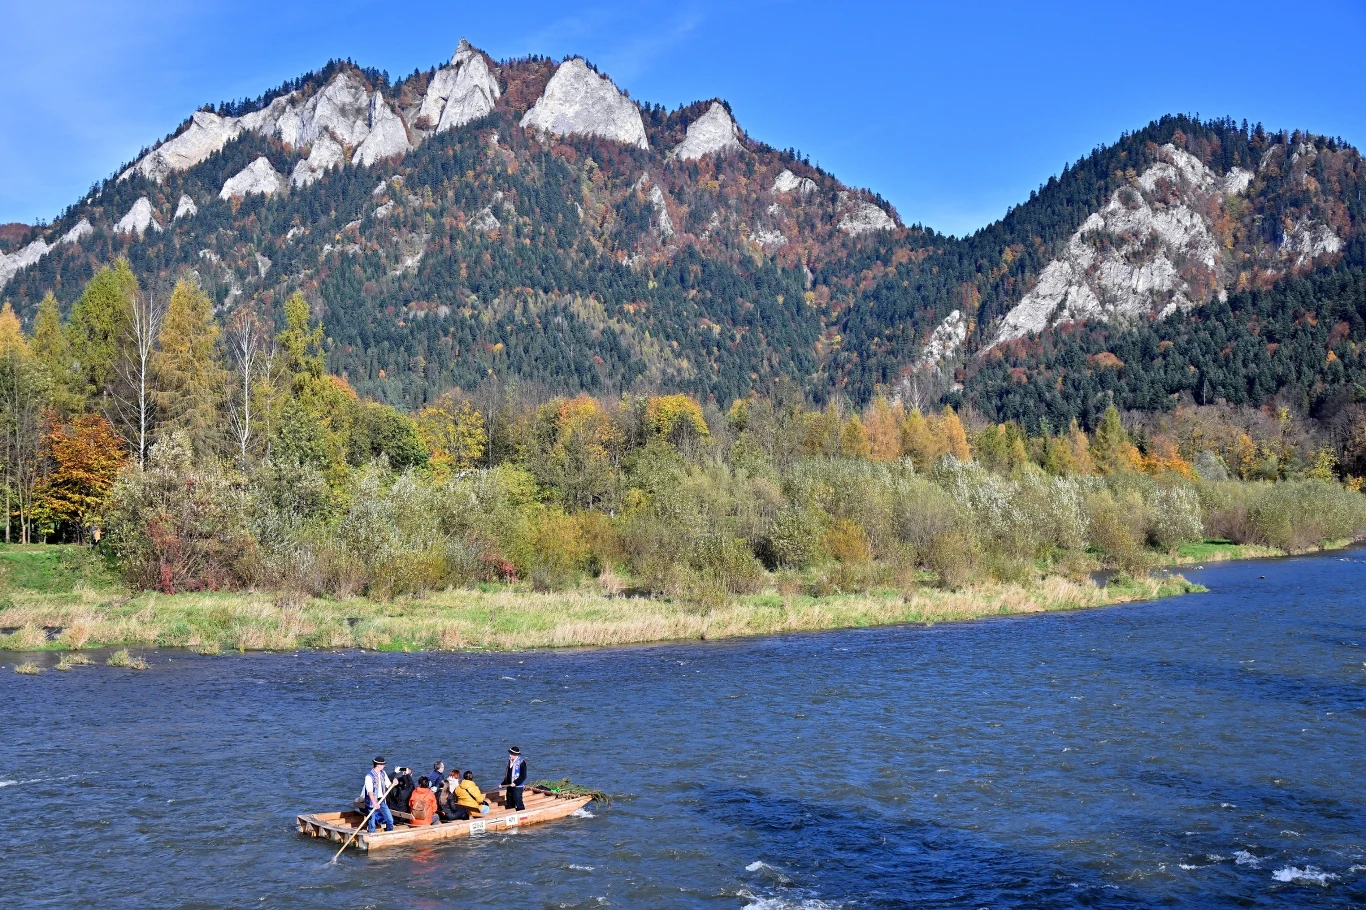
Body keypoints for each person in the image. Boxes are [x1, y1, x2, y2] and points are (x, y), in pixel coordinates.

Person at [361, 756, 395, 834]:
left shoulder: (383, 773)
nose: (384, 766)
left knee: (390, 820)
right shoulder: (369, 776)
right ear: (378, 765)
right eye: (383, 764)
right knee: (372, 823)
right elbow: (370, 792)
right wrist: (374, 803)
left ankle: (389, 834)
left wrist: (394, 783)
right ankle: (372, 836)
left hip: (382, 800)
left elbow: (388, 785)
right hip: (371, 802)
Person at [502, 746, 527, 811]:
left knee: (518, 802)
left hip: (517, 787)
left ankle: (522, 814)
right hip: (509, 786)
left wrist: (515, 783)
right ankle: (511, 814)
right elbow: (508, 775)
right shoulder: (509, 762)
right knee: (509, 803)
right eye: (510, 754)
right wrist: (503, 784)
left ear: (516, 754)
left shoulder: (522, 762)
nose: (510, 755)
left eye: (511, 754)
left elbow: (523, 776)